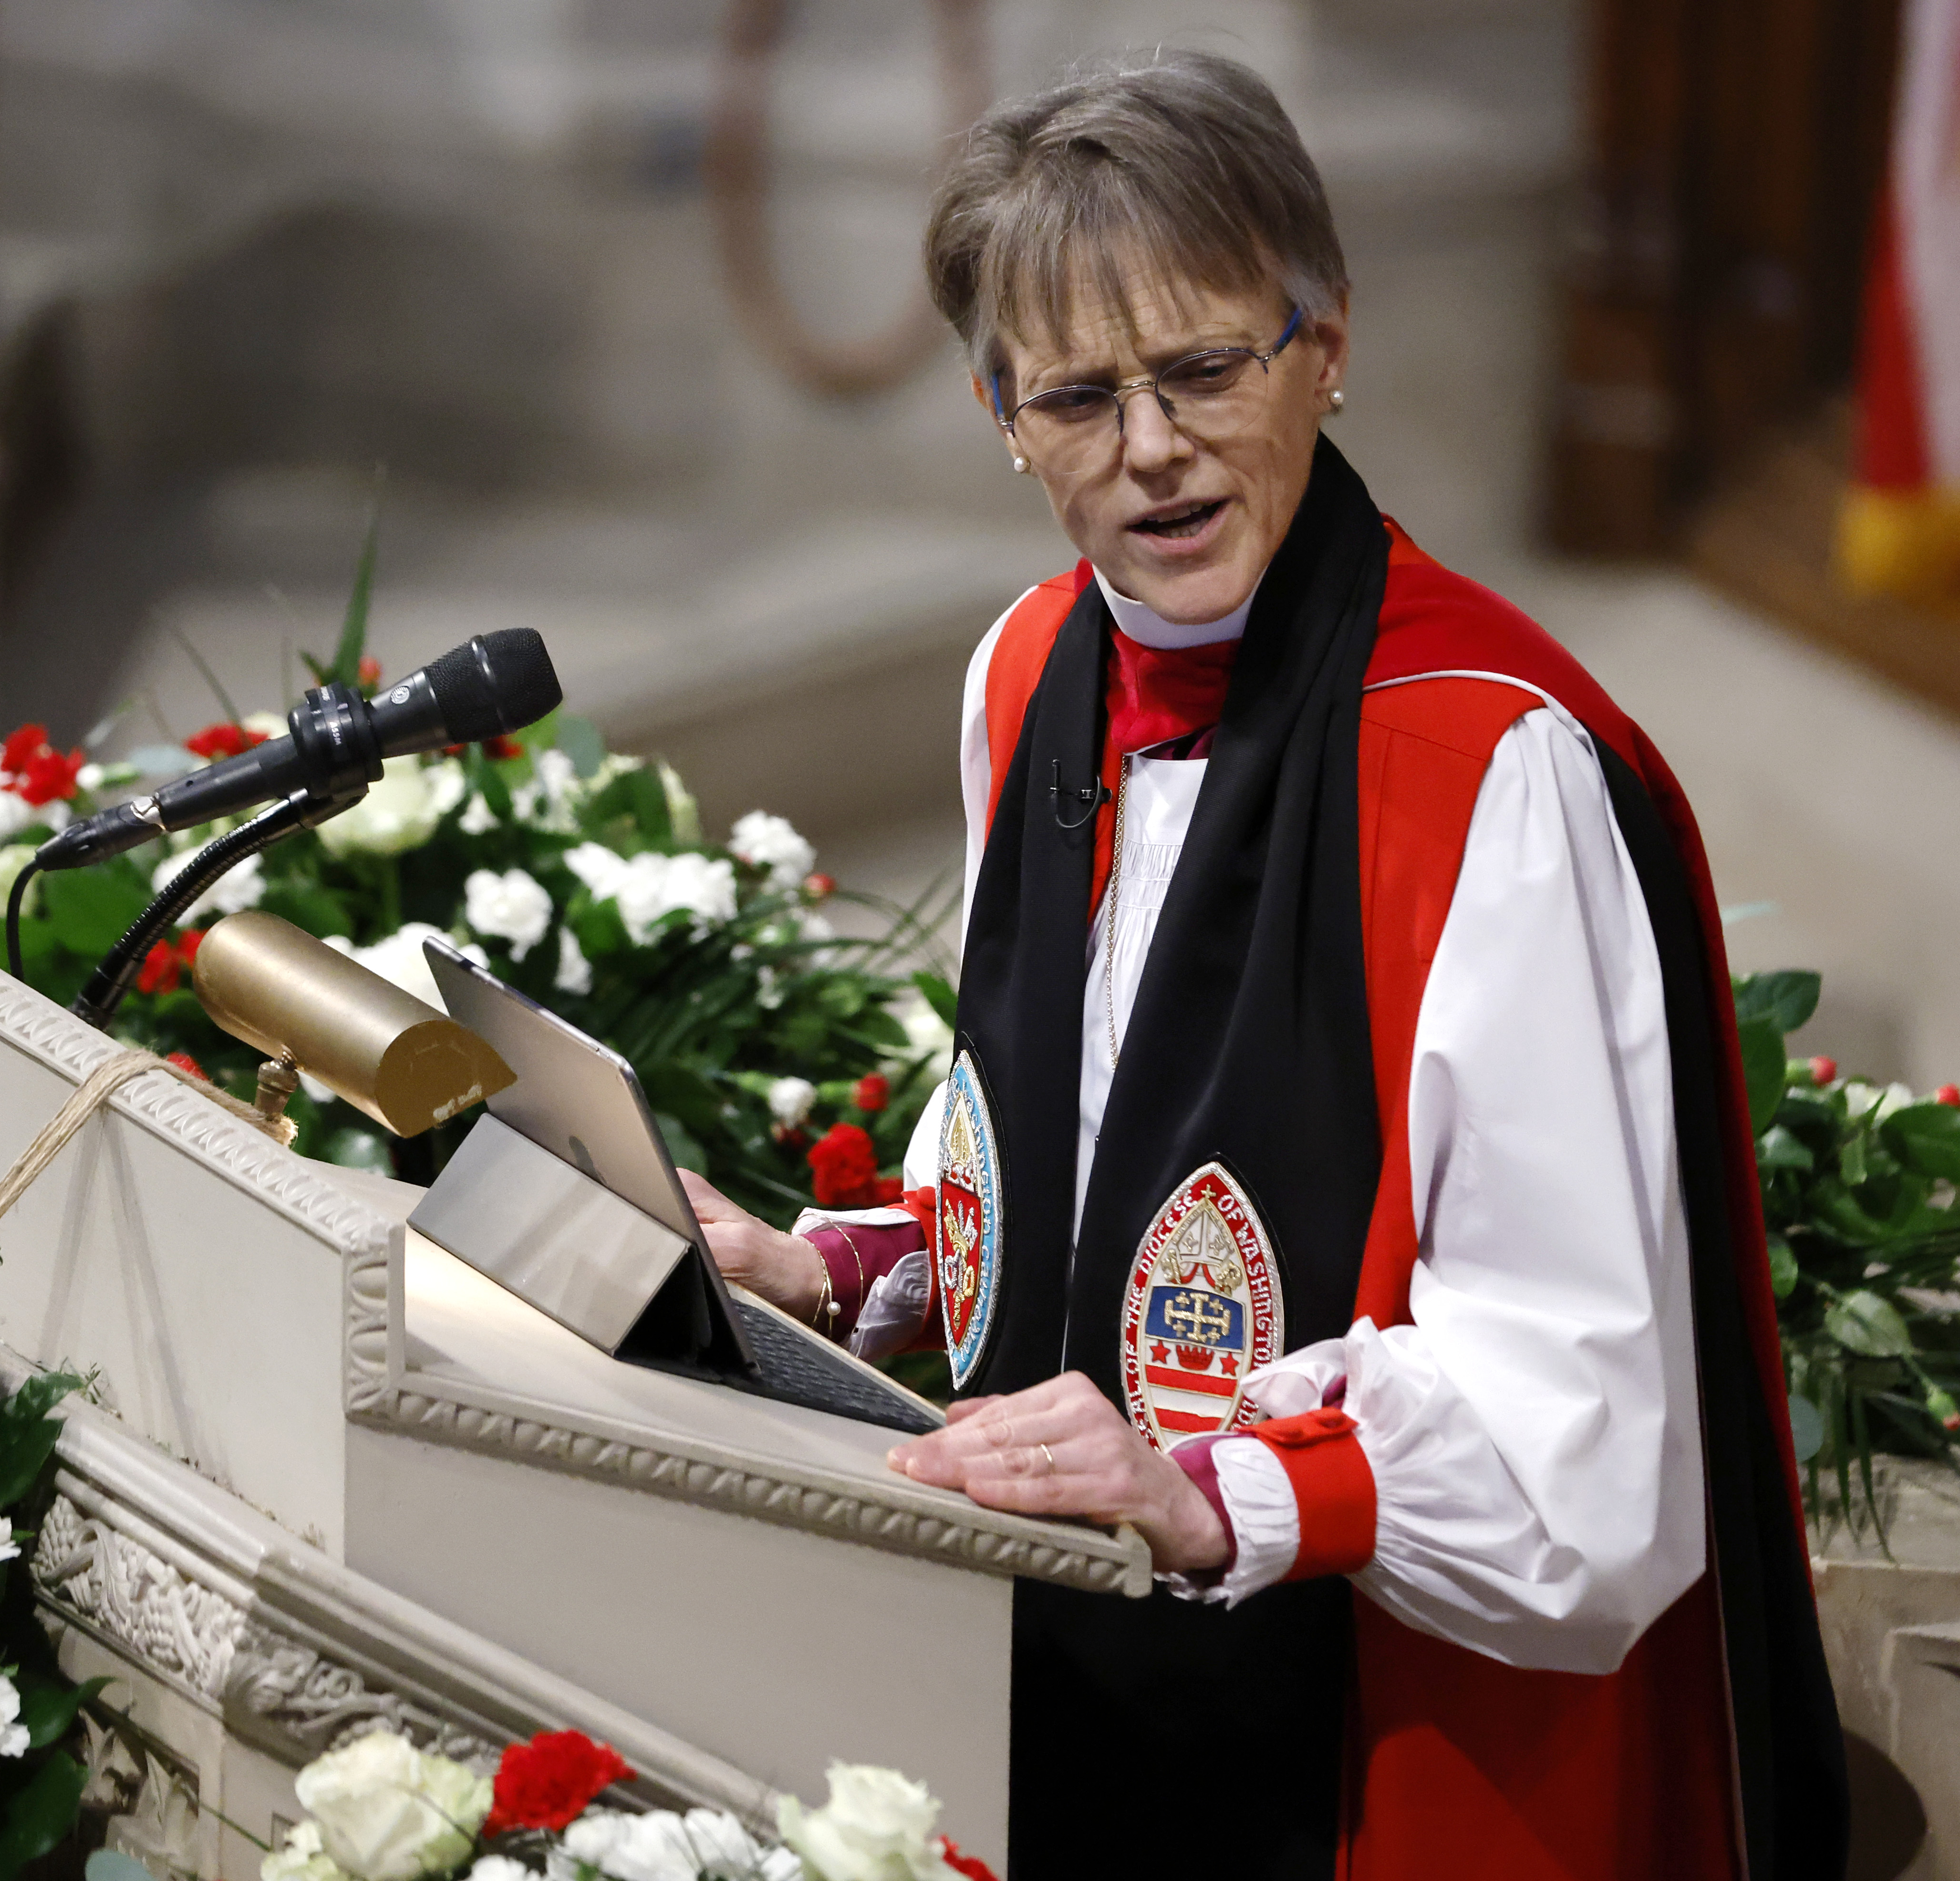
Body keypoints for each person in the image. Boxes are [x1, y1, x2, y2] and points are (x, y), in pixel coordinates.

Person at [680, 48, 1848, 1881]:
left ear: (1328, 343)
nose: (1149, 449)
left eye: (1206, 367)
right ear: (1002, 413)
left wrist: (1209, 1495)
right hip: (1035, 1684)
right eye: (1076, 393)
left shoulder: (1490, 766)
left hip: (1370, 1743)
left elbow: (1585, 1423)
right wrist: (832, 1269)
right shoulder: (1025, 672)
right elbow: (1075, 1170)